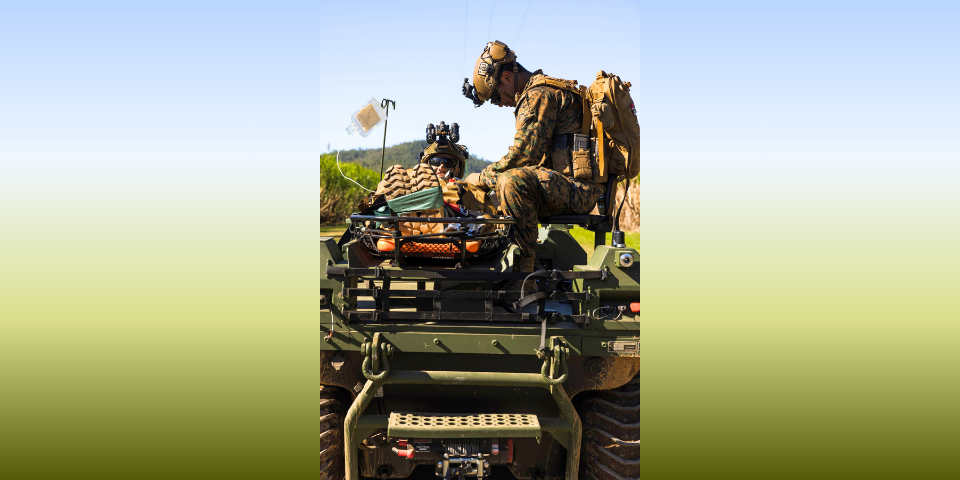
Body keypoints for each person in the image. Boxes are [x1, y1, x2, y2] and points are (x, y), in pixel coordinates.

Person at [461, 40, 604, 278]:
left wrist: (480, 177)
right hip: (569, 184)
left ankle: (523, 277)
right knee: (504, 183)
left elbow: (523, 156)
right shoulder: (543, 90)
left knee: (511, 182)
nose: (500, 103)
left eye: (496, 96)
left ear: (507, 77)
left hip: (578, 189)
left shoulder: (538, 95)